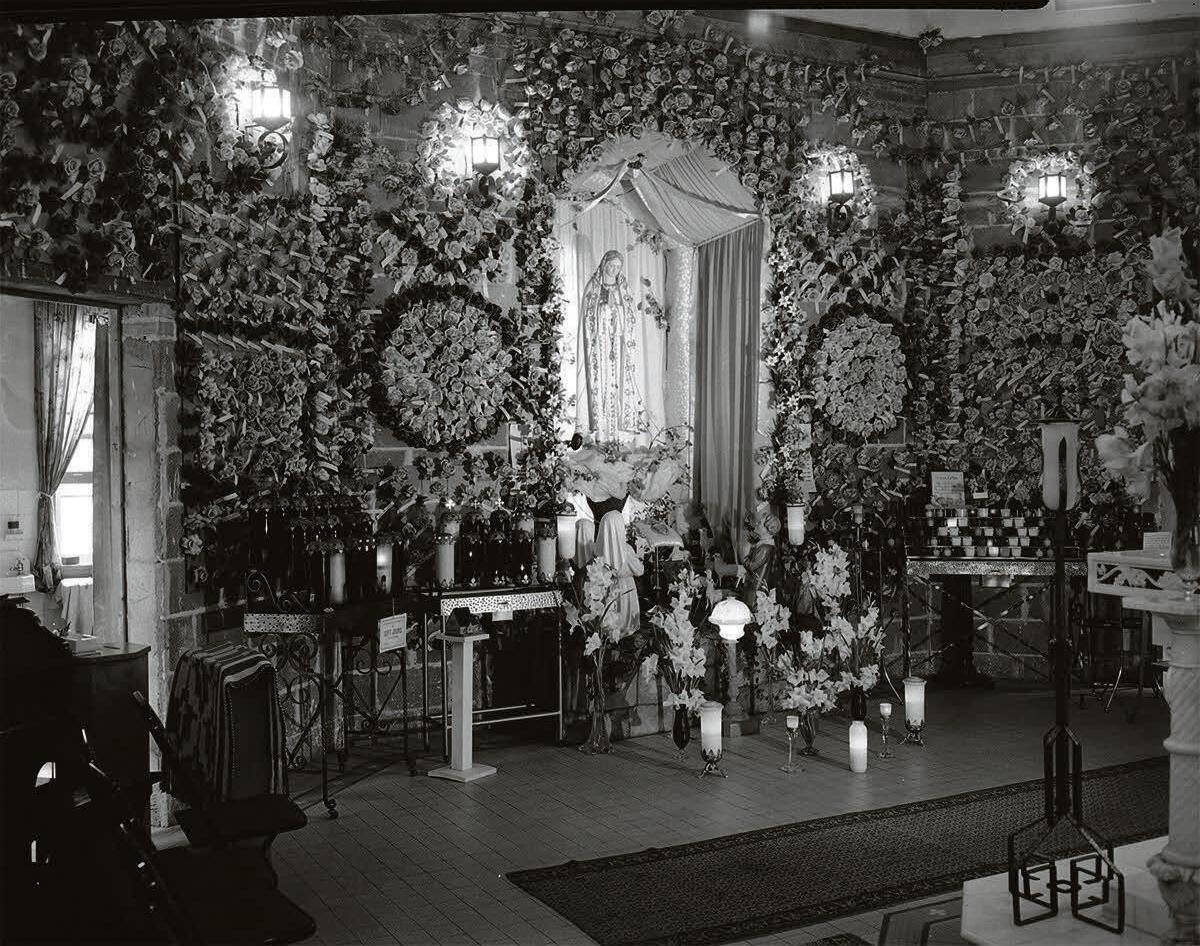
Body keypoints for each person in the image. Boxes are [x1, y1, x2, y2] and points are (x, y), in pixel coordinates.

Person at [578, 250, 647, 441]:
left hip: (617, 345)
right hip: (599, 344)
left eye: (618, 267)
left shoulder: (623, 289)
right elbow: (588, 316)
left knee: (618, 383)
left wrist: (615, 311)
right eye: (611, 265)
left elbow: (630, 317)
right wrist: (604, 311)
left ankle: (618, 436)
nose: (614, 270)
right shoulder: (593, 287)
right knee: (600, 383)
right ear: (604, 264)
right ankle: (601, 434)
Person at [594, 510, 644, 636]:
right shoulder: (626, 550)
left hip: (607, 590)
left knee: (609, 620)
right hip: (626, 589)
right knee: (626, 622)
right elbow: (639, 570)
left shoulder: (598, 550)